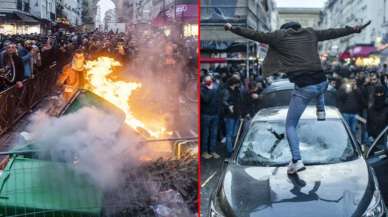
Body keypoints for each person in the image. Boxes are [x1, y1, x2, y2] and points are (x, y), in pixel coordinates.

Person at [225, 20, 371, 174]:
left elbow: (254, 34)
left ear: (284, 30)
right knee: (317, 86)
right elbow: (333, 32)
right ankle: (320, 110)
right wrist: (354, 29)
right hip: (322, 83)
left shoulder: (279, 36)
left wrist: (232, 28)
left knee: (290, 125)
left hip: (305, 87)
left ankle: (296, 160)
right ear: (298, 28)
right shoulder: (310, 32)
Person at [201, 75, 222, 159]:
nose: (210, 82)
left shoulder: (215, 89)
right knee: (206, 134)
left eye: (210, 80)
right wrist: (212, 90)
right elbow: (206, 99)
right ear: (204, 81)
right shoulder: (202, 90)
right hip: (206, 115)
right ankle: (204, 151)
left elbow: (218, 100)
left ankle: (212, 150)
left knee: (213, 134)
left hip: (215, 114)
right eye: (208, 81)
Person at [223, 76, 242, 157]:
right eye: (237, 83)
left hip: (236, 114)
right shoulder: (227, 91)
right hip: (230, 115)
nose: (238, 84)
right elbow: (224, 101)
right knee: (229, 134)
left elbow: (239, 101)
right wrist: (229, 106)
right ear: (234, 83)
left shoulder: (237, 90)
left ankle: (232, 149)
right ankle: (229, 152)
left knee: (234, 134)